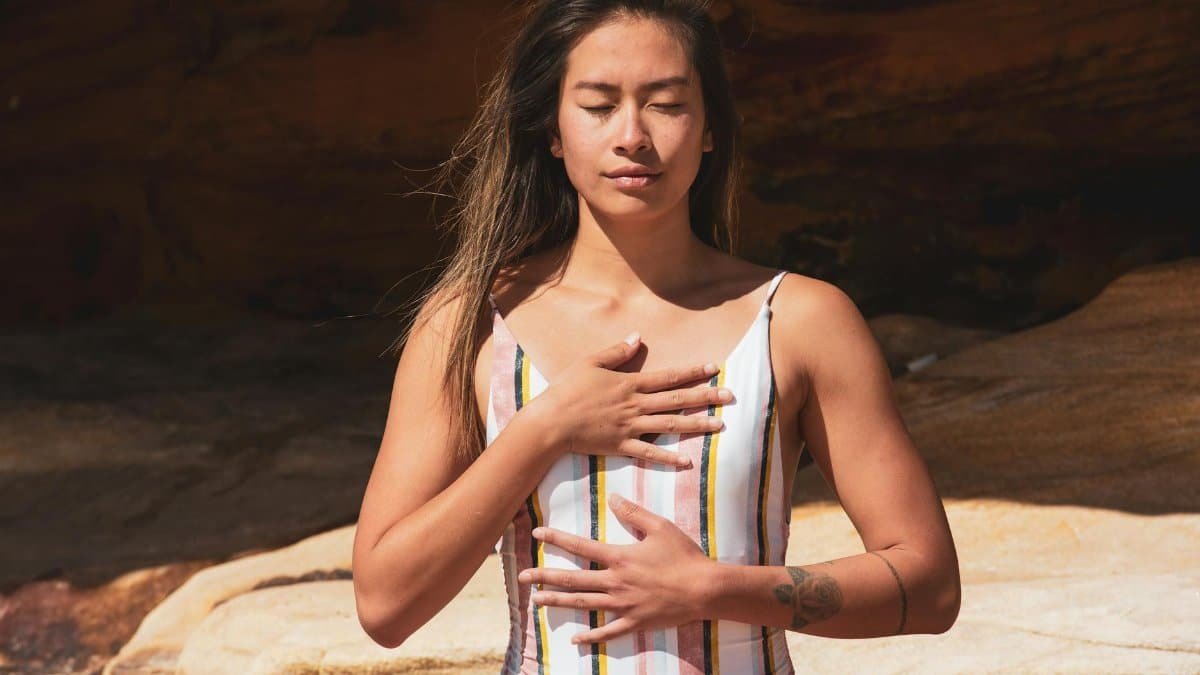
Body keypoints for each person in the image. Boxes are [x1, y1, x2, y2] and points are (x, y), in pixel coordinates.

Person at [352, 0, 960, 672]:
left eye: (666, 104)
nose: (632, 136)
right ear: (552, 128)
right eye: (598, 104)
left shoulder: (802, 321)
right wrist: (545, 425)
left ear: (709, 129)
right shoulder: (468, 325)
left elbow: (930, 585)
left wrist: (714, 587)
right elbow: (384, 604)